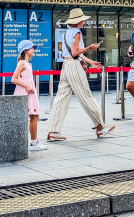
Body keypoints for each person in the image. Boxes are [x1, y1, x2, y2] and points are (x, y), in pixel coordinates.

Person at [46, 8, 114, 140]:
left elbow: (73, 53)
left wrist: (91, 62)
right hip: (74, 66)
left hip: (66, 66)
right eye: (82, 19)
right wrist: (90, 47)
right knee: (85, 95)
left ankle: (53, 131)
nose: (83, 21)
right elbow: (76, 52)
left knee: (61, 97)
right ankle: (100, 127)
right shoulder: (77, 32)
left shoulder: (66, 33)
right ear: (78, 21)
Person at [12, 40, 47, 151]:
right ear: (25, 50)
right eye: (32, 48)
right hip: (24, 91)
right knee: (31, 116)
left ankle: (33, 142)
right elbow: (13, 79)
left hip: (29, 91)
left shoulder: (27, 64)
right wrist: (27, 86)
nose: (34, 50)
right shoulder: (22, 63)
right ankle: (32, 143)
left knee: (34, 116)